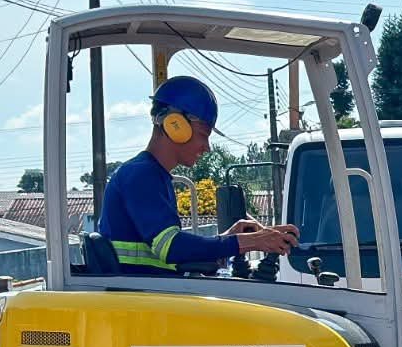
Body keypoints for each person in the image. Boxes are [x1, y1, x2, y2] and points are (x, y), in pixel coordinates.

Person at [100, 75, 298, 274]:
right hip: (140, 292)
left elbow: (174, 252)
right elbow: (170, 248)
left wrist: (229, 238)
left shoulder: (153, 176)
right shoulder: (141, 175)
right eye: (204, 135)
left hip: (149, 289)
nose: (207, 148)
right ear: (175, 125)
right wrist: (251, 241)